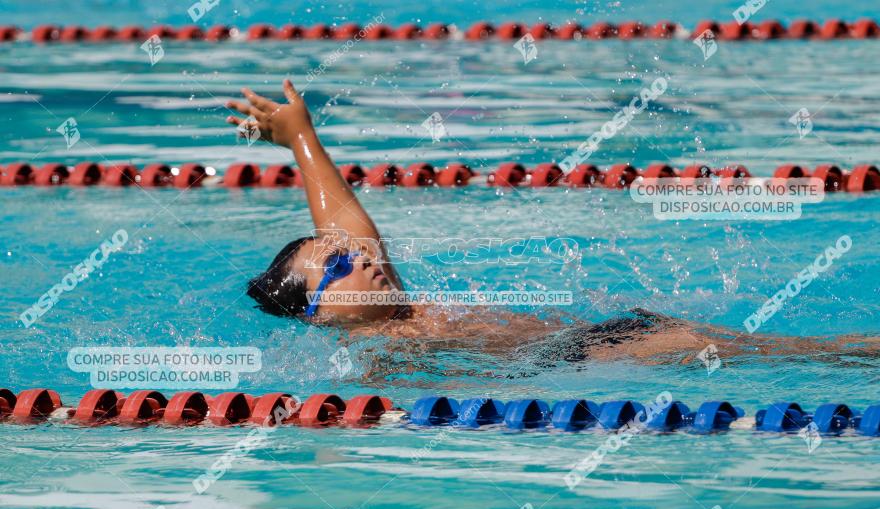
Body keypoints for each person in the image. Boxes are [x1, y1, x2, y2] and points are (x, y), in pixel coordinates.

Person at [225, 81, 878, 366]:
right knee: (792, 353)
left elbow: (339, 215)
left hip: (598, 336)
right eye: (338, 267)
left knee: (775, 348)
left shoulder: (387, 305)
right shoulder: (378, 350)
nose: (357, 258)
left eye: (349, 252)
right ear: (316, 314)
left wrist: (301, 136)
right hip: (583, 360)